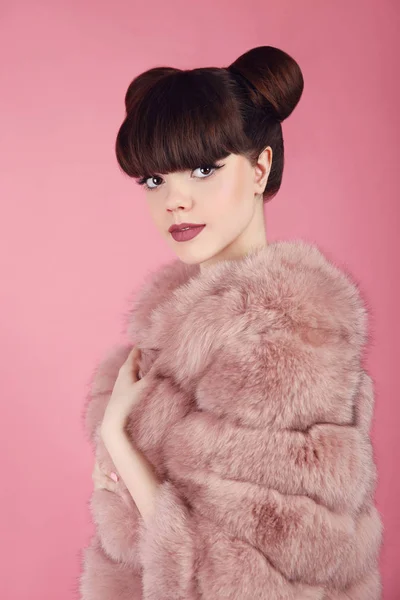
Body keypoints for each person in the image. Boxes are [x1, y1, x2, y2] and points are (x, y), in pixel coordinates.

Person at [79, 46, 383, 599]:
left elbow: (246, 584)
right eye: (155, 180)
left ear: (260, 167)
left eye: (203, 170)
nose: (176, 200)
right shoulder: (180, 323)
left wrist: (119, 445)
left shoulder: (281, 335)